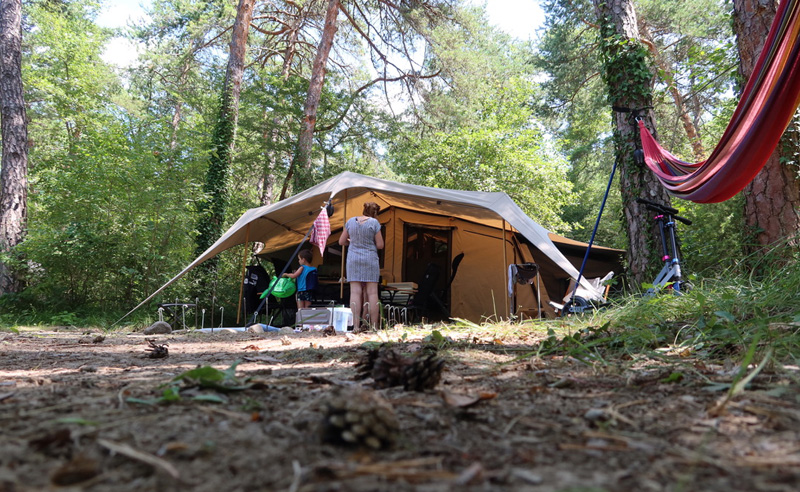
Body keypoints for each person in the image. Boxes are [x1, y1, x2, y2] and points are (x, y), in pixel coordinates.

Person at [339, 202, 384, 331]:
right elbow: (380, 245)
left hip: (353, 259)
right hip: (370, 258)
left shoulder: (350, 221)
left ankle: (356, 326)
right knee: (372, 293)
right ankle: (374, 326)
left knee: (355, 292)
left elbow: (341, 241)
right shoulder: (375, 223)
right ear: (375, 213)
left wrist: (352, 241)